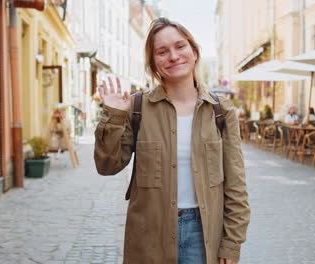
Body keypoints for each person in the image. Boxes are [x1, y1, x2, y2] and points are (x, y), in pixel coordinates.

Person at [94, 17, 250, 264]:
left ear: (194, 52)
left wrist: (232, 243)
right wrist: (114, 116)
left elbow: (236, 185)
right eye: (162, 51)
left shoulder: (221, 111)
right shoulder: (137, 108)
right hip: (149, 235)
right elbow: (107, 166)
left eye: (180, 46)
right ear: (154, 63)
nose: (173, 56)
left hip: (203, 235)